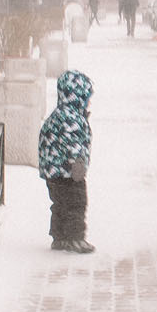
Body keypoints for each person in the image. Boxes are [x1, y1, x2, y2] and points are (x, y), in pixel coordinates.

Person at [37, 68, 95, 254]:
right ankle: (75, 238)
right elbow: (74, 145)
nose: (88, 102)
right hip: (68, 173)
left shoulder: (58, 115)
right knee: (75, 203)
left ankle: (60, 237)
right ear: (77, 97)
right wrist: (78, 166)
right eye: (86, 97)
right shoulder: (71, 118)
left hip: (53, 172)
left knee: (60, 204)